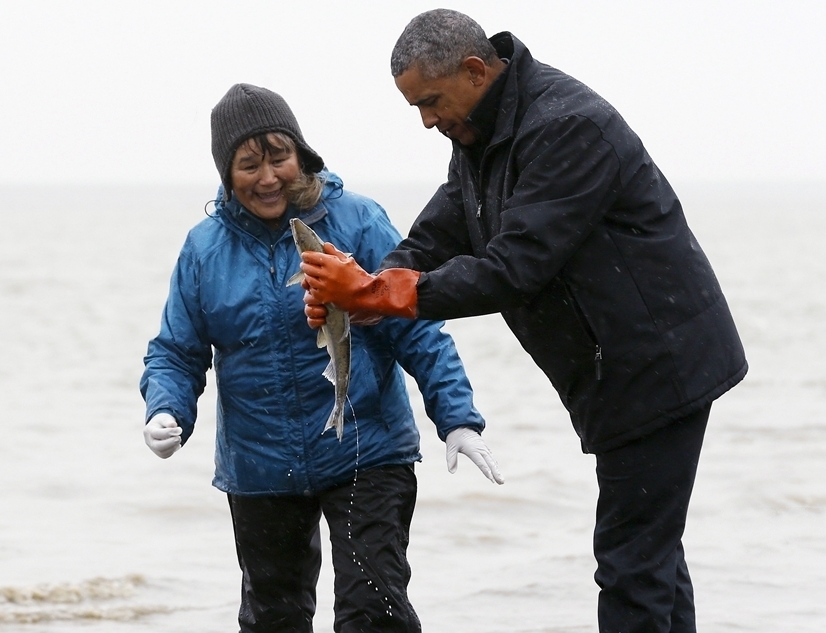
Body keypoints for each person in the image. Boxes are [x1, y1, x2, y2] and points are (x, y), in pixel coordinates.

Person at [299, 10, 748, 633]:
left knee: (630, 563)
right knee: (652, 557)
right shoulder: (479, 137)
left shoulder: (568, 126)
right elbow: (437, 236)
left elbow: (515, 267)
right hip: (611, 369)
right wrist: (360, 294)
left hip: (657, 364)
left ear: (475, 71)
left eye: (430, 102)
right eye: (416, 109)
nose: (427, 121)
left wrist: (378, 291)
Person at [140, 82, 502, 633]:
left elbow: (417, 326)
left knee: (373, 611)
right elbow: (177, 351)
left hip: (367, 450)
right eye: (248, 165)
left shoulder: (357, 220)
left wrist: (456, 416)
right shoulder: (204, 249)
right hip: (260, 467)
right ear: (226, 173)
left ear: (302, 155)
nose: (267, 178)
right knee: (273, 618)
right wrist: (166, 410)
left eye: (279, 157)